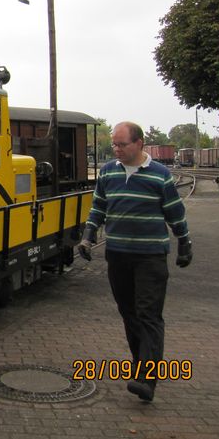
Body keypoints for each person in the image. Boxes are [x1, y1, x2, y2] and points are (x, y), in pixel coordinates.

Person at [77, 121, 192, 402]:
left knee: (148, 315)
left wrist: (184, 244)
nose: (116, 149)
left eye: (121, 144)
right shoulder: (108, 172)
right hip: (117, 255)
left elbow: (175, 212)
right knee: (129, 313)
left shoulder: (160, 175)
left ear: (139, 143)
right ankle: (140, 367)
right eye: (114, 144)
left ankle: (147, 380)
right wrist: (88, 236)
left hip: (149, 257)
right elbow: (99, 206)